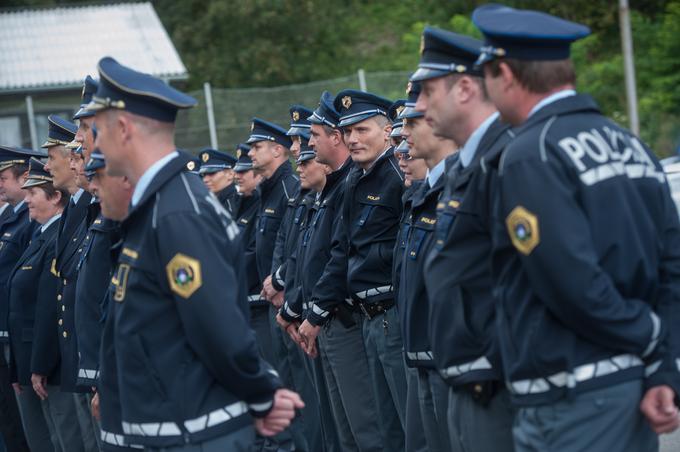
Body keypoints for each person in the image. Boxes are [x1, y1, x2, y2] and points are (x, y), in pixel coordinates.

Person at [473, 4, 680, 450]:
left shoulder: (533, 152)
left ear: (506, 74)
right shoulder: (631, 144)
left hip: (573, 395)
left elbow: (569, 279)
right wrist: (661, 363)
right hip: (627, 383)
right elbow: (672, 268)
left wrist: (649, 335)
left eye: (487, 77)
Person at [88, 56, 301, 451]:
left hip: (190, 433)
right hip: (168, 428)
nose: (94, 144)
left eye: (98, 130)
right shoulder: (157, 206)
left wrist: (261, 394)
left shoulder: (177, 213)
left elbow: (215, 322)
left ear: (122, 128)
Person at [413, 26, 516, 452]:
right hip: (463, 374)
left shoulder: (508, 156)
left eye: (427, 91)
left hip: (495, 380)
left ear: (466, 88)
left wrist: (487, 358)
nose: (418, 106)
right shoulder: (465, 166)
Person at [299, 89, 408, 451]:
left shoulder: (396, 176)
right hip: (369, 320)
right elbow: (342, 250)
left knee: (405, 430)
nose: (354, 139)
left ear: (387, 130)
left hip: (392, 315)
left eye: (363, 130)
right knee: (384, 429)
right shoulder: (354, 180)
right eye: (348, 132)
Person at [280, 92, 383, 452]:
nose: (305, 147)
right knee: (344, 430)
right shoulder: (338, 187)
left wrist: (315, 310)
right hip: (327, 318)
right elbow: (304, 256)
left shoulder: (351, 183)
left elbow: (338, 256)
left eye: (312, 138)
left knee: (366, 427)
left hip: (347, 317)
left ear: (332, 138)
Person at [39, 115, 95, 452]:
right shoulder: (77, 210)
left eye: (52, 158)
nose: (47, 167)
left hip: (93, 358)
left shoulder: (93, 206)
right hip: (76, 355)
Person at [8, 158, 68, 452]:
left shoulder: (55, 238)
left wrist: (38, 365)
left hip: (47, 363)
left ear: (56, 197)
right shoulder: (39, 236)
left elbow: (47, 307)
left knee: (59, 440)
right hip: (29, 357)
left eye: (34, 193)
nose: (27, 199)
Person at [83, 148, 141, 451]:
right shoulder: (126, 232)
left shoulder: (159, 228)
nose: (92, 186)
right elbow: (111, 311)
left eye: (99, 177)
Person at [0, 146, 42, 452]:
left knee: (30, 428)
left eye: (3, 178)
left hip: (19, 336)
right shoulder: (13, 220)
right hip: (9, 334)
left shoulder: (29, 222)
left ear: (24, 177)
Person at [198, 148, 238, 214]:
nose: (205, 180)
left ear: (230, 174)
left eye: (212, 173)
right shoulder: (214, 202)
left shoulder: (235, 203)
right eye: (203, 175)